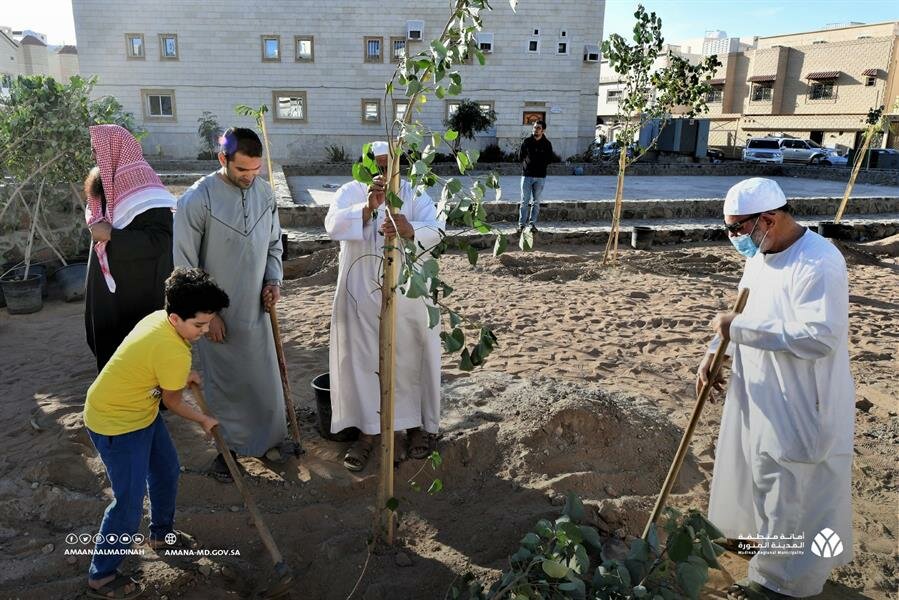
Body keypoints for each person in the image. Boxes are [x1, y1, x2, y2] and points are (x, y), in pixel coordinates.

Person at [697, 178, 854, 600]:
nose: (734, 240)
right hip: (758, 389)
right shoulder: (762, 254)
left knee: (788, 488)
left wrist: (737, 329)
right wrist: (715, 351)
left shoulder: (819, 261)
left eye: (737, 230)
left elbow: (819, 337)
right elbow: (743, 306)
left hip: (801, 401)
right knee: (756, 474)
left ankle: (781, 582)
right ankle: (758, 547)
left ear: (767, 219)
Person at [83, 267, 228, 600]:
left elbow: (155, 367)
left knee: (166, 470)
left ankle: (162, 533)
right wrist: (204, 420)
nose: (204, 331)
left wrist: (182, 374)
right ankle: (102, 576)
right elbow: (173, 401)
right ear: (176, 318)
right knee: (128, 503)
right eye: (199, 325)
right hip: (115, 423)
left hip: (139, 411)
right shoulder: (173, 350)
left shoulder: (159, 320)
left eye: (208, 323)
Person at [173, 127, 288, 481]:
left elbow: (273, 246)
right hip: (216, 318)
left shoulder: (265, 193)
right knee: (223, 385)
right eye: (242, 171)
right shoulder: (197, 199)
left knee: (263, 380)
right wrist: (208, 317)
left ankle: (268, 440)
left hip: (257, 310)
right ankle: (229, 453)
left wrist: (273, 281)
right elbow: (185, 266)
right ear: (222, 159)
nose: (250, 178)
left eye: (255, 170)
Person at [324, 141, 444, 471]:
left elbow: (437, 229)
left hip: (408, 295)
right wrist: (365, 209)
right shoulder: (350, 191)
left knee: (408, 360)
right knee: (364, 363)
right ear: (365, 166)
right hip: (361, 295)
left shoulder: (416, 193)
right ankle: (367, 433)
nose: (382, 172)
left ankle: (413, 427)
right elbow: (332, 225)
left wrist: (409, 228)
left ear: (400, 166)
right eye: (375, 166)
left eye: (388, 166)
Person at [84, 124, 177, 372]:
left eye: (98, 150)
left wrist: (113, 234)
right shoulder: (103, 184)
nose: (94, 156)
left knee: (141, 357)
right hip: (109, 293)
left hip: (138, 293)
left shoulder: (148, 189)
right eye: (94, 151)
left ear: (115, 149)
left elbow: (160, 241)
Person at [518, 119, 554, 234]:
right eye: (534, 127)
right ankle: (521, 225)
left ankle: (532, 224)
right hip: (527, 176)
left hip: (540, 177)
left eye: (538, 128)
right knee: (524, 201)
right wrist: (527, 166)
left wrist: (540, 165)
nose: (535, 130)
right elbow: (520, 156)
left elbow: (550, 159)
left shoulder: (547, 144)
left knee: (536, 202)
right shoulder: (527, 142)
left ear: (543, 130)